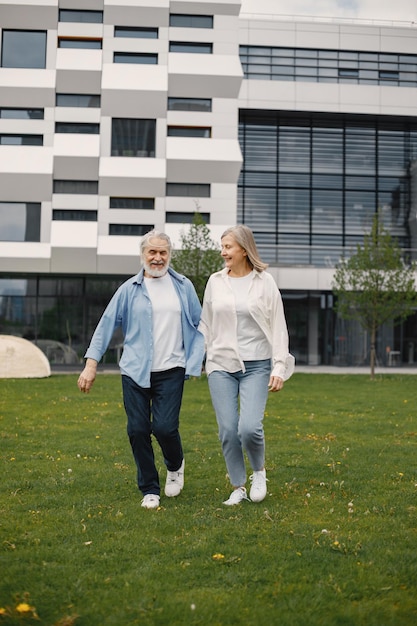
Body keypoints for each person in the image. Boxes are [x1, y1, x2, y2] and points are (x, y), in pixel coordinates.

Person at [77, 229, 204, 509]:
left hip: (171, 369)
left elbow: (200, 325)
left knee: (165, 428)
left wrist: (196, 360)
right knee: (137, 430)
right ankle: (150, 488)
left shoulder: (183, 287)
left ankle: (175, 465)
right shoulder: (128, 290)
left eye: (163, 252)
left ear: (169, 255)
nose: (157, 258)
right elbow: (106, 325)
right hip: (134, 370)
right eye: (152, 252)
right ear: (143, 255)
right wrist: (91, 364)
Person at [200, 225, 294, 506]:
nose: (223, 252)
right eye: (222, 246)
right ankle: (238, 486)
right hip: (220, 363)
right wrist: (197, 358)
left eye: (227, 247)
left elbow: (278, 325)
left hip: (257, 364)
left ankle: (259, 472)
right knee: (228, 430)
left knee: (249, 428)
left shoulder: (265, 282)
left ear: (243, 248)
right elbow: (206, 324)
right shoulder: (215, 281)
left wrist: (279, 366)